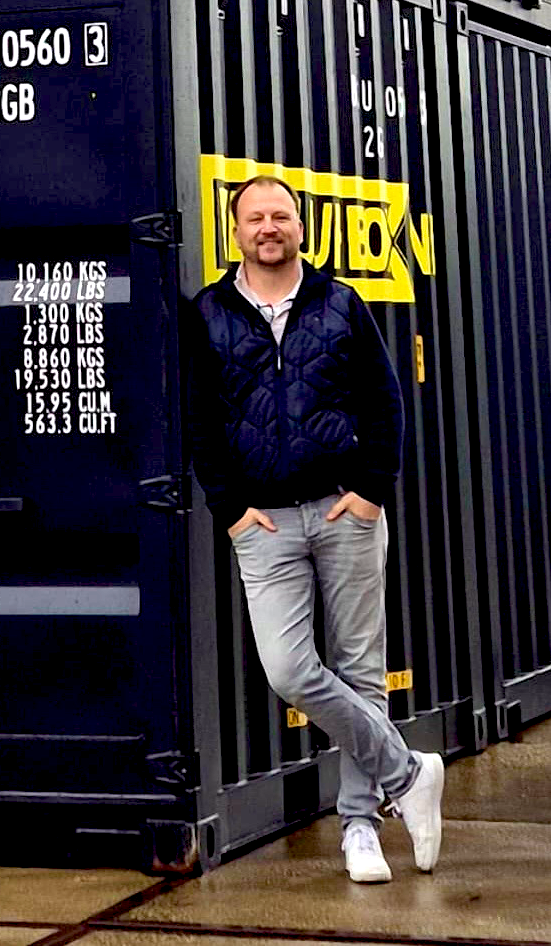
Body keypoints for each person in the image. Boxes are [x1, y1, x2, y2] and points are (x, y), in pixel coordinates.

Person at [190, 172, 444, 884]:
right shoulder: (208, 312)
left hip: (345, 510)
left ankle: (360, 827)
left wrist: (369, 492)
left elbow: (384, 400)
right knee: (291, 668)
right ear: (235, 230)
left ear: (300, 227)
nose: (269, 227)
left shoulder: (340, 303)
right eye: (255, 217)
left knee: (363, 668)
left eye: (281, 216)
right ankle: (408, 771)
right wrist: (230, 508)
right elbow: (200, 421)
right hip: (263, 522)